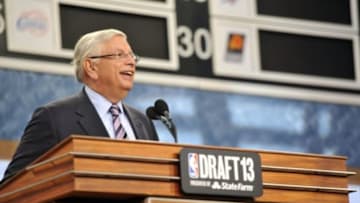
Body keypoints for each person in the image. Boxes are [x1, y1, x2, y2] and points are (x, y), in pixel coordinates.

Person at [1, 28, 159, 184]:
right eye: (119, 55)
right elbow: (13, 185)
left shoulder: (143, 121)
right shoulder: (53, 118)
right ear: (91, 67)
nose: (131, 62)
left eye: (132, 56)